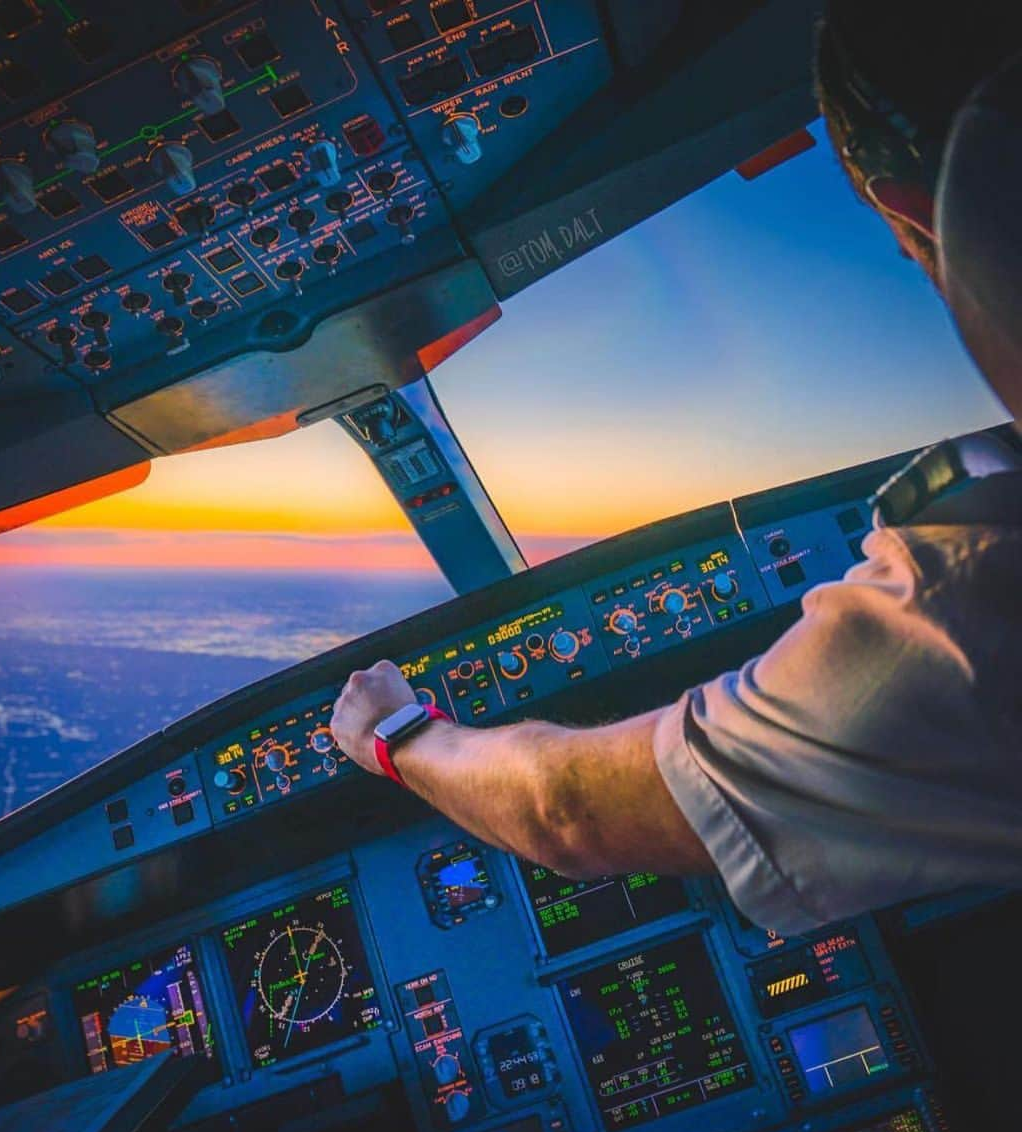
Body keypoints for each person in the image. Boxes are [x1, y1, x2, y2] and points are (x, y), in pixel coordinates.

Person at [330, 0, 1022, 935]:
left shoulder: (975, 604)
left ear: (922, 222)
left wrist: (393, 733)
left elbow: (564, 811)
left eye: (908, 258)